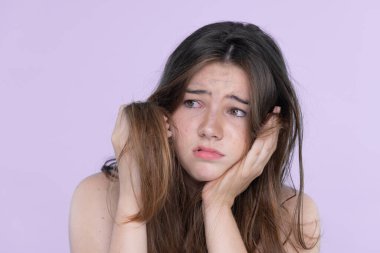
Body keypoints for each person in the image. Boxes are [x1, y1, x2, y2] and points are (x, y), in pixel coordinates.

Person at [69, 21, 321, 253]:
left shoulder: (293, 214)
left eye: (236, 111)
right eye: (192, 103)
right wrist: (134, 192)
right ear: (165, 110)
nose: (210, 128)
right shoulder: (99, 195)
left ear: (268, 125)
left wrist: (218, 206)